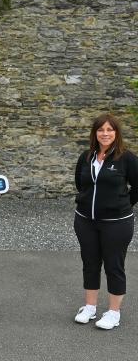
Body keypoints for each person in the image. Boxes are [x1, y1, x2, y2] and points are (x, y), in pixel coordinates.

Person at [73, 114, 138, 330]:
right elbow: (80, 183)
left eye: (110, 130)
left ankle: (113, 313)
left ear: (116, 133)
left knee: (113, 265)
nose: (105, 133)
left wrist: (121, 204)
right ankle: (90, 307)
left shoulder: (126, 158)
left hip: (117, 223)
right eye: (101, 130)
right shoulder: (86, 156)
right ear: (95, 133)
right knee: (90, 263)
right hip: (85, 221)